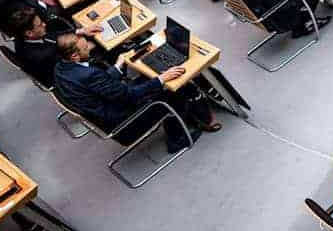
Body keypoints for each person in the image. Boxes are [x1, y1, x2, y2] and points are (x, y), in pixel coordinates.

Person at [53, 33, 218, 154]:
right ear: (74, 56)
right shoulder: (88, 74)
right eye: (85, 47)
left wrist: (118, 66)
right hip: (124, 122)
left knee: (149, 79)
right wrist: (162, 79)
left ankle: (187, 115)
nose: (90, 47)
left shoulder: (61, 68)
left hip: (109, 110)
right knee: (173, 89)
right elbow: (129, 95)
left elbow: (98, 87)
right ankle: (177, 139)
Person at [8, 7, 101, 86]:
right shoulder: (42, 56)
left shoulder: (23, 37)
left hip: (62, 61)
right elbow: (70, 62)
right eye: (40, 25)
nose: (44, 24)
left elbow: (53, 36)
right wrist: (84, 48)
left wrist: (81, 31)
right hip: (67, 76)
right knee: (102, 49)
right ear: (29, 33)